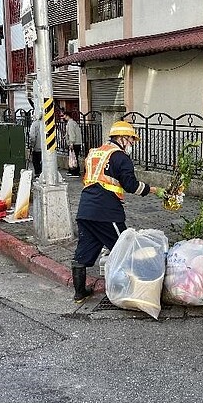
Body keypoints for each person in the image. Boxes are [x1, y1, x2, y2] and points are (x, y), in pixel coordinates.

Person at [71, 120, 165, 303]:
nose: (131, 144)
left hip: (85, 210)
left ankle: (79, 293)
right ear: (121, 138)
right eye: (130, 140)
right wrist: (155, 190)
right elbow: (131, 186)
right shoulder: (121, 157)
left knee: (84, 251)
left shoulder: (94, 153)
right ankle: (135, 291)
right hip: (106, 212)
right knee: (126, 248)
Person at [62, 110, 83, 177]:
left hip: (75, 143)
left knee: (74, 158)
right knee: (74, 157)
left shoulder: (70, 123)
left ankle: (75, 172)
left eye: (64, 115)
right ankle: (72, 170)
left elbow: (72, 134)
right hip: (77, 142)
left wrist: (71, 143)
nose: (63, 117)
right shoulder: (73, 123)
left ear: (67, 116)